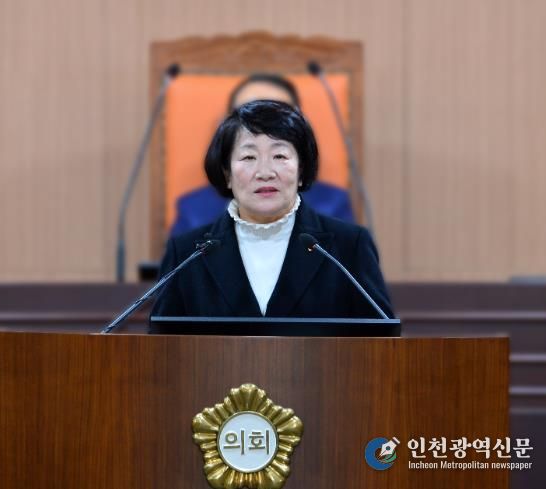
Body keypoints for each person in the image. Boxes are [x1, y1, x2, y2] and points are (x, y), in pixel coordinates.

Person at [149, 100, 393, 328]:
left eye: (279, 156)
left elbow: (381, 343)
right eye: (249, 157)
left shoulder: (349, 247)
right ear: (227, 174)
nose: (265, 172)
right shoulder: (186, 253)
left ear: (301, 170)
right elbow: (162, 347)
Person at [169, 74, 355, 236]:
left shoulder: (332, 207)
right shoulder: (194, 212)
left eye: (277, 116)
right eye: (248, 114)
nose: (262, 129)